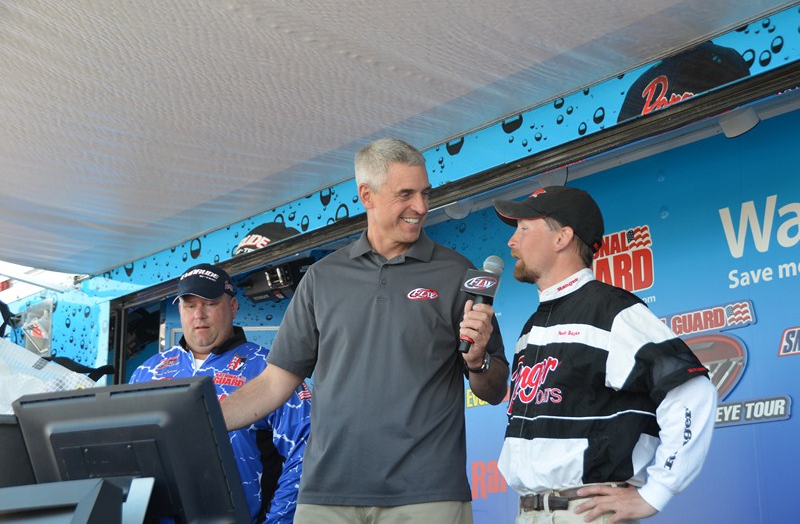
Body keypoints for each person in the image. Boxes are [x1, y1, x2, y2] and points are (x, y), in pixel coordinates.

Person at [221, 138, 509, 524]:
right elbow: (275, 383)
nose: (421, 207)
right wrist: (206, 421)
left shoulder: (457, 272)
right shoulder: (322, 278)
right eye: (405, 194)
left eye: (425, 193)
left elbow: (494, 389)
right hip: (326, 496)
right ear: (366, 196)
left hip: (427, 495)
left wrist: (478, 362)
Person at [492, 185, 717, 524]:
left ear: (562, 238)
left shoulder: (614, 310)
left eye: (524, 229)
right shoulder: (532, 326)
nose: (512, 241)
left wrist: (656, 492)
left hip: (586, 513)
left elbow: (693, 392)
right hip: (530, 512)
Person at [129, 263, 311, 524]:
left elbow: (306, 451)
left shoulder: (270, 369)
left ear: (233, 307)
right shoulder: (147, 371)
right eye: (190, 305)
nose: (199, 315)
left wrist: (276, 522)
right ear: (180, 310)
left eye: (210, 304)